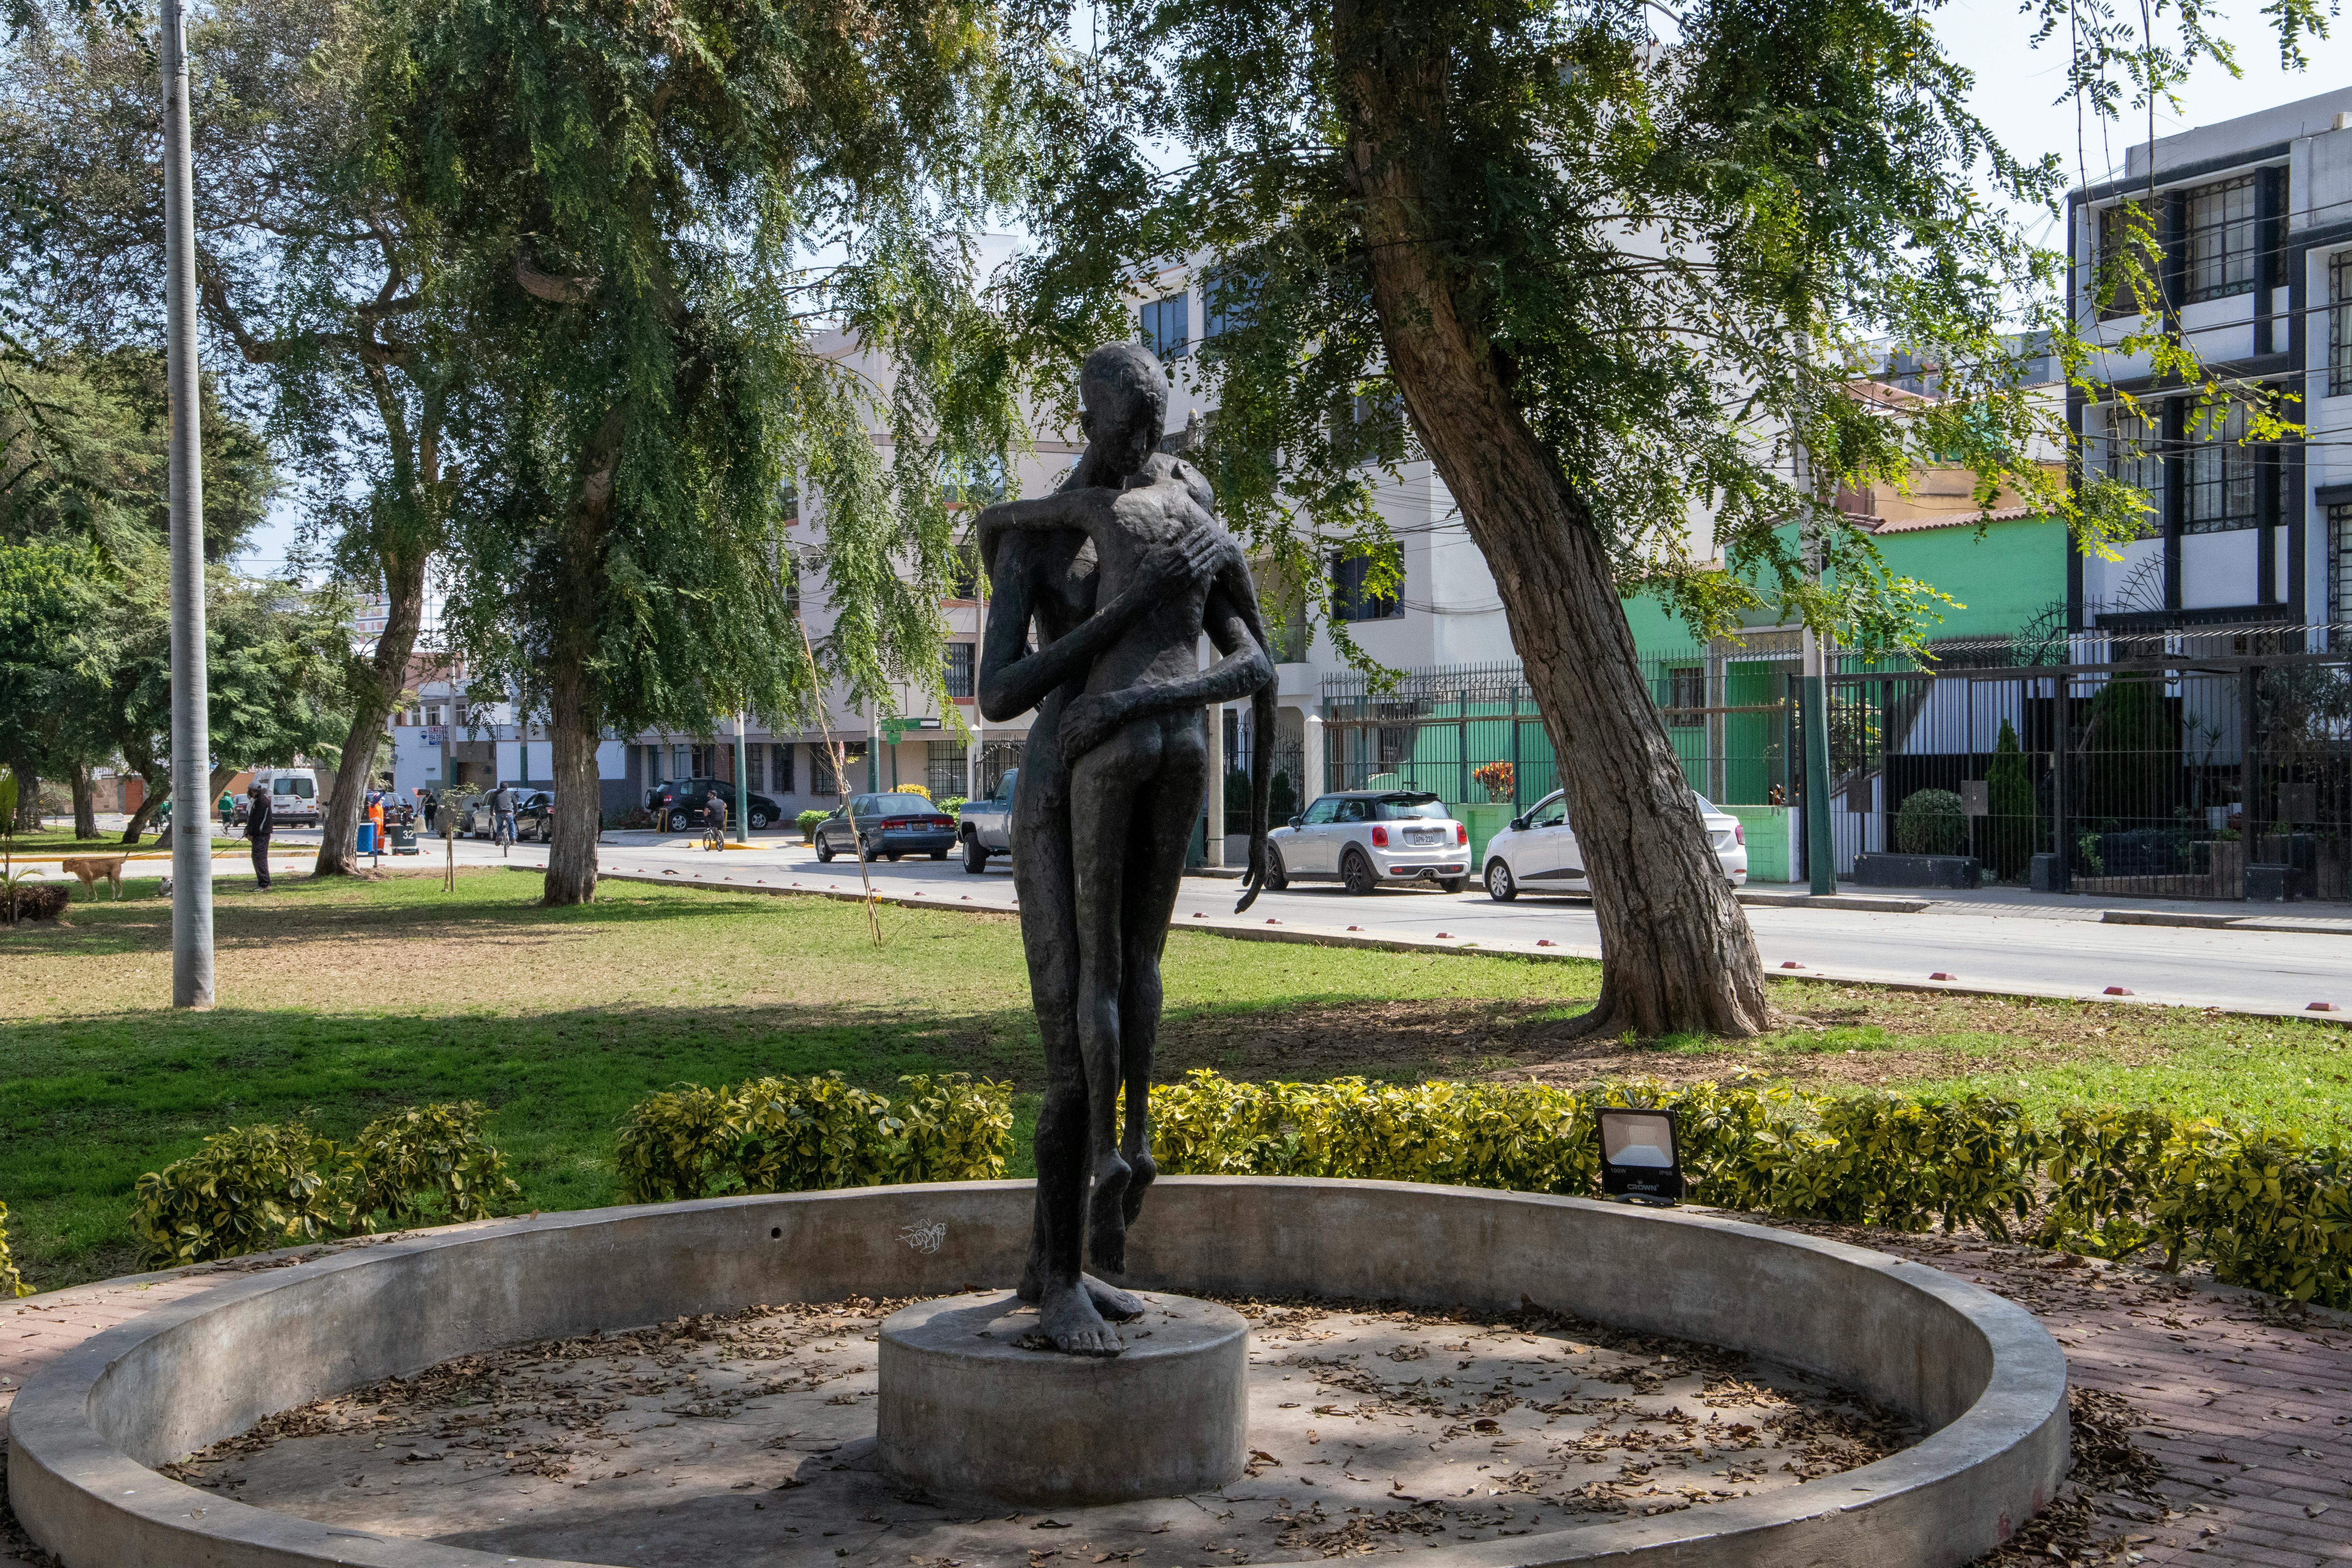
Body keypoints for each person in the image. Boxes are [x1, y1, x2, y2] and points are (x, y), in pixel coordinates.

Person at [973, 342, 1277, 1355]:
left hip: (1145, 758)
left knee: (1130, 985)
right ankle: (1062, 1286)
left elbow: (1247, 652)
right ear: (1091, 425)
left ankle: (1048, 1264)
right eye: (1123, 433)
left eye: (1154, 431)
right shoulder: (1042, 540)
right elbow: (999, 693)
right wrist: (1117, 629)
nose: (1142, 448)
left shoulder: (1177, 515)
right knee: (1072, 1043)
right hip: (1057, 788)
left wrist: (1152, 682)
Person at [244, 781, 274, 891]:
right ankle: (264, 883)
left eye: (250, 791)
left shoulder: (261, 801)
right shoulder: (258, 800)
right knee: (258, 858)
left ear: (253, 790)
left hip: (261, 835)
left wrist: (252, 833)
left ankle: (265, 884)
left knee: (259, 858)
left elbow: (258, 821)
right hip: (259, 834)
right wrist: (247, 831)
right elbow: (253, 819)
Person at [491, 782, 519, 847]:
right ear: (507, 788)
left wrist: (492, 813)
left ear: (500, 787)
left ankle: (498, 839)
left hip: (499, 813)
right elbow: (515, 804)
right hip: (508, 813)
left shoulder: (496, 794)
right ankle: (513, 840)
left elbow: (492, 805)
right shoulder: (510, 793)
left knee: (500, 826)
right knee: (511, 824)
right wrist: (515, 812)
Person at [366, 792, 387, 865]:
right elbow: (376, 800)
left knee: (381, 837)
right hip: (375, 824)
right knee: (375, 837)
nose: (382, 801)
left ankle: (380, 850)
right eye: (381, 799)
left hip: (381, 824)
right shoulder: (373, 804)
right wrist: (382, 794)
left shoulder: (380, 806)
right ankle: (372, 851)